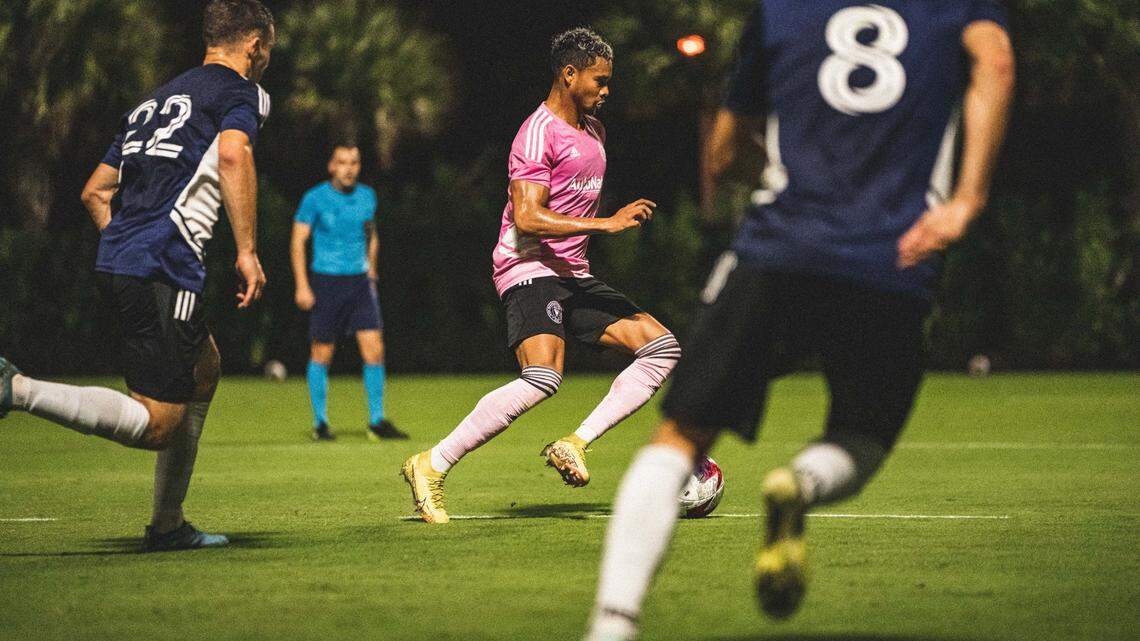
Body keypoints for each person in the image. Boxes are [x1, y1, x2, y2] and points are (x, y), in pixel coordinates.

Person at [584, 1, 1014, 638]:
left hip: (778, 250)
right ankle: (801, 485)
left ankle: (611, 626)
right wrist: (967, 200)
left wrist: (791, 178)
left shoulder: (780, 10)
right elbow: (997, 63)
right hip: (893, 254)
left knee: (679, 439)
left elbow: (725, 154)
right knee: (863, 437)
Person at [0, 0, 275, 551]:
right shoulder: (241, 93)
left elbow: (94, 191)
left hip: (124, 257)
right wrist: (247, 250)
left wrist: (126, 247)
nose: (267, 58)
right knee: (158, 425)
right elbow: (232, 156)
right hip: (163, 264)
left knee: (205, 368)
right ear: (254, 44)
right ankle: (17, 388)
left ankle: (168, 526)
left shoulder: (154, 101)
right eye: (268, 48)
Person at [401, 27, 681, 524]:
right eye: (600, 79)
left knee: (662, 347)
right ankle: (432, 463)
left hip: (571, 272)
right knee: (543, 377)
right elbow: (528, 217)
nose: (607, 89)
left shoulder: (594, 132)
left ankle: (575, 443)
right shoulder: (536, 133)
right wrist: (607, 222)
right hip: (528, 265)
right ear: (569, 75)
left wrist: (595, 231)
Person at [290, 143, 407, 442]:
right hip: (326, 280)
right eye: (342, 162)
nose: (349, 168)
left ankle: (377, 421)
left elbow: (371, 234)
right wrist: (302, 284)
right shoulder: (314, 198)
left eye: (354, 162)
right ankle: (321, 423)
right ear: (331, 165)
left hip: (359, 283)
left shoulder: (367, 196)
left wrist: (371, 271)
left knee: (375, 350)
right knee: (322, 352)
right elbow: (298, 241)